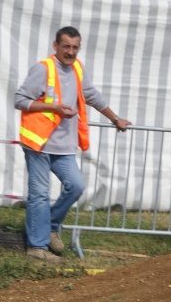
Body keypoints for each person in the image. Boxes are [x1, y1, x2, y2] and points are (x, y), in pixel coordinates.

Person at [15, 26, 131, 264]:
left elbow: (92, 95)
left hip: (64, 146)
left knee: (76, 186)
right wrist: (53, 108)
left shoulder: (78, 68)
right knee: (39, 195)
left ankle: (50, 227)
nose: (70, 52)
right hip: (38, 144)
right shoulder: (42, 68)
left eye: (75, 47)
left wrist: (115, 118)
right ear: (55, 46)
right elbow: (19, 100)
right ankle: (36, 248)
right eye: (66, 46)